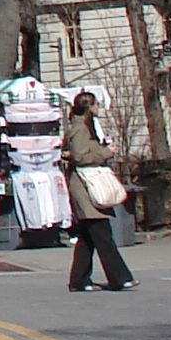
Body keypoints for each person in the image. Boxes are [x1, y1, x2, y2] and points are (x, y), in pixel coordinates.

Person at [63, 92, 135, 293]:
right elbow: (80, 157)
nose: (98, 108)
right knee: (102, 235)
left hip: (89, 184)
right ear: (89, 107)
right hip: (86, 187)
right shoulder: (79, 129)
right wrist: (106, 153)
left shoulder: (87, 127)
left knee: (88, 238)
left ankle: (79, 279)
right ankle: (120, 277)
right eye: (96, 105)